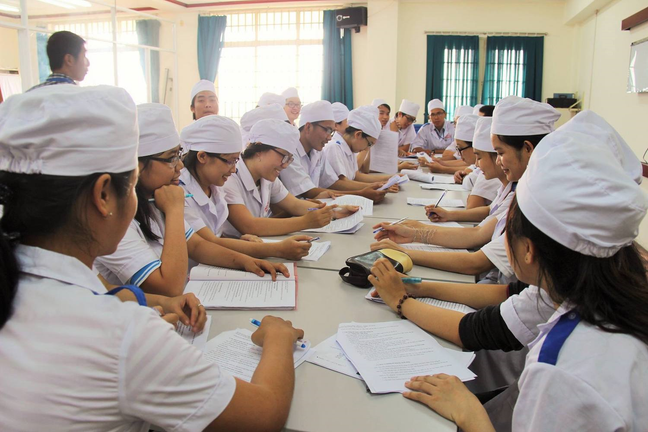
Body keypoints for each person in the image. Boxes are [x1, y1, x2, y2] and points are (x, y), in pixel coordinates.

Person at [0, 84, 305, 431]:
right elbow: (264, 414)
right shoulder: (121, 335)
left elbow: (110, 290)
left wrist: (144, 301)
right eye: (130, 184)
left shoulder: (20, 279)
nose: (178, 169)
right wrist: (278, 337)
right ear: (104, 195)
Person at [369, 111, 648, 432]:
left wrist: (468, 412)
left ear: (529, 249)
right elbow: (485, 322)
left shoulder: (564, 371)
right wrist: (413, 290)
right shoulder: (586, 290)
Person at [95, 103, 287, 297]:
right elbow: (169, 288)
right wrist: (174, 210)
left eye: (178, 155)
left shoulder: (155, 198)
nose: (180, 166)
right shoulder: (117, 219)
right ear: (137, 165)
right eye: (171, 158)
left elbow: (197, 246)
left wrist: (247, 262)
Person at [372, 97, 560, 278]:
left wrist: (406, 250)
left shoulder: (533, 200)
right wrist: (416, 233)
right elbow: (481, 227)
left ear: (528, 149)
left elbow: (477, 259)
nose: (476, 165)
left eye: (500, 153)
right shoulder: (518, 189)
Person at [180, 114, 314, 261]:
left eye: (235, 160)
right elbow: (206, 243)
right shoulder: (181, 192)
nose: (233, 169)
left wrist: (240, 242)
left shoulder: (214, 185)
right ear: (202, 157)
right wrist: (277, 249)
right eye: (229, 161)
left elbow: (215, 234)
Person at [223, 118, 359, 237]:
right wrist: (305, 222)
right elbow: (249, 226)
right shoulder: (230, 178)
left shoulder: (267, 177)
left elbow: (294, 204)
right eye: (283, 156)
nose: (285, 165)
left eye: (289, 159)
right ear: (259, 149)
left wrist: (334, 211)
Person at [278, 100, 389, 203]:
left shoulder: (317, 151)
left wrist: (372, 187)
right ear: (308, 127)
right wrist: (361, 194)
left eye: (332, 132)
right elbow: (308, 191)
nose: (330, 137)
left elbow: (331, 182)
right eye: (327, 130)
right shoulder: (289, 151)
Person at [322, 105, 396, 184]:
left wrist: (388, 178)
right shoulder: (334, 147)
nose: (367, 149)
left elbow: (356, 176)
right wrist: (375, 186)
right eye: (369, 144)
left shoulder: (350, 148)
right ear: (358, 134)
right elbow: (342, 182)